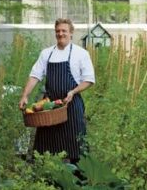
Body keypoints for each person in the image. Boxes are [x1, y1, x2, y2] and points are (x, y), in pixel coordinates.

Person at [19, 18, 95, 163]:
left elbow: (89, 80)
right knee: (46, 145)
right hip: (50, 106)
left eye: (64, 31)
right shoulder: (46, 53)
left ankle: (79, 178)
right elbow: (35, 75)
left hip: (72, 104)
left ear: (71, 33)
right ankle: (47, 177)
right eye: (58, 31)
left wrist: (73, 92)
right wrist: (24, 95)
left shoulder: (81, 54)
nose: (60, 34)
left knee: (76, 144)